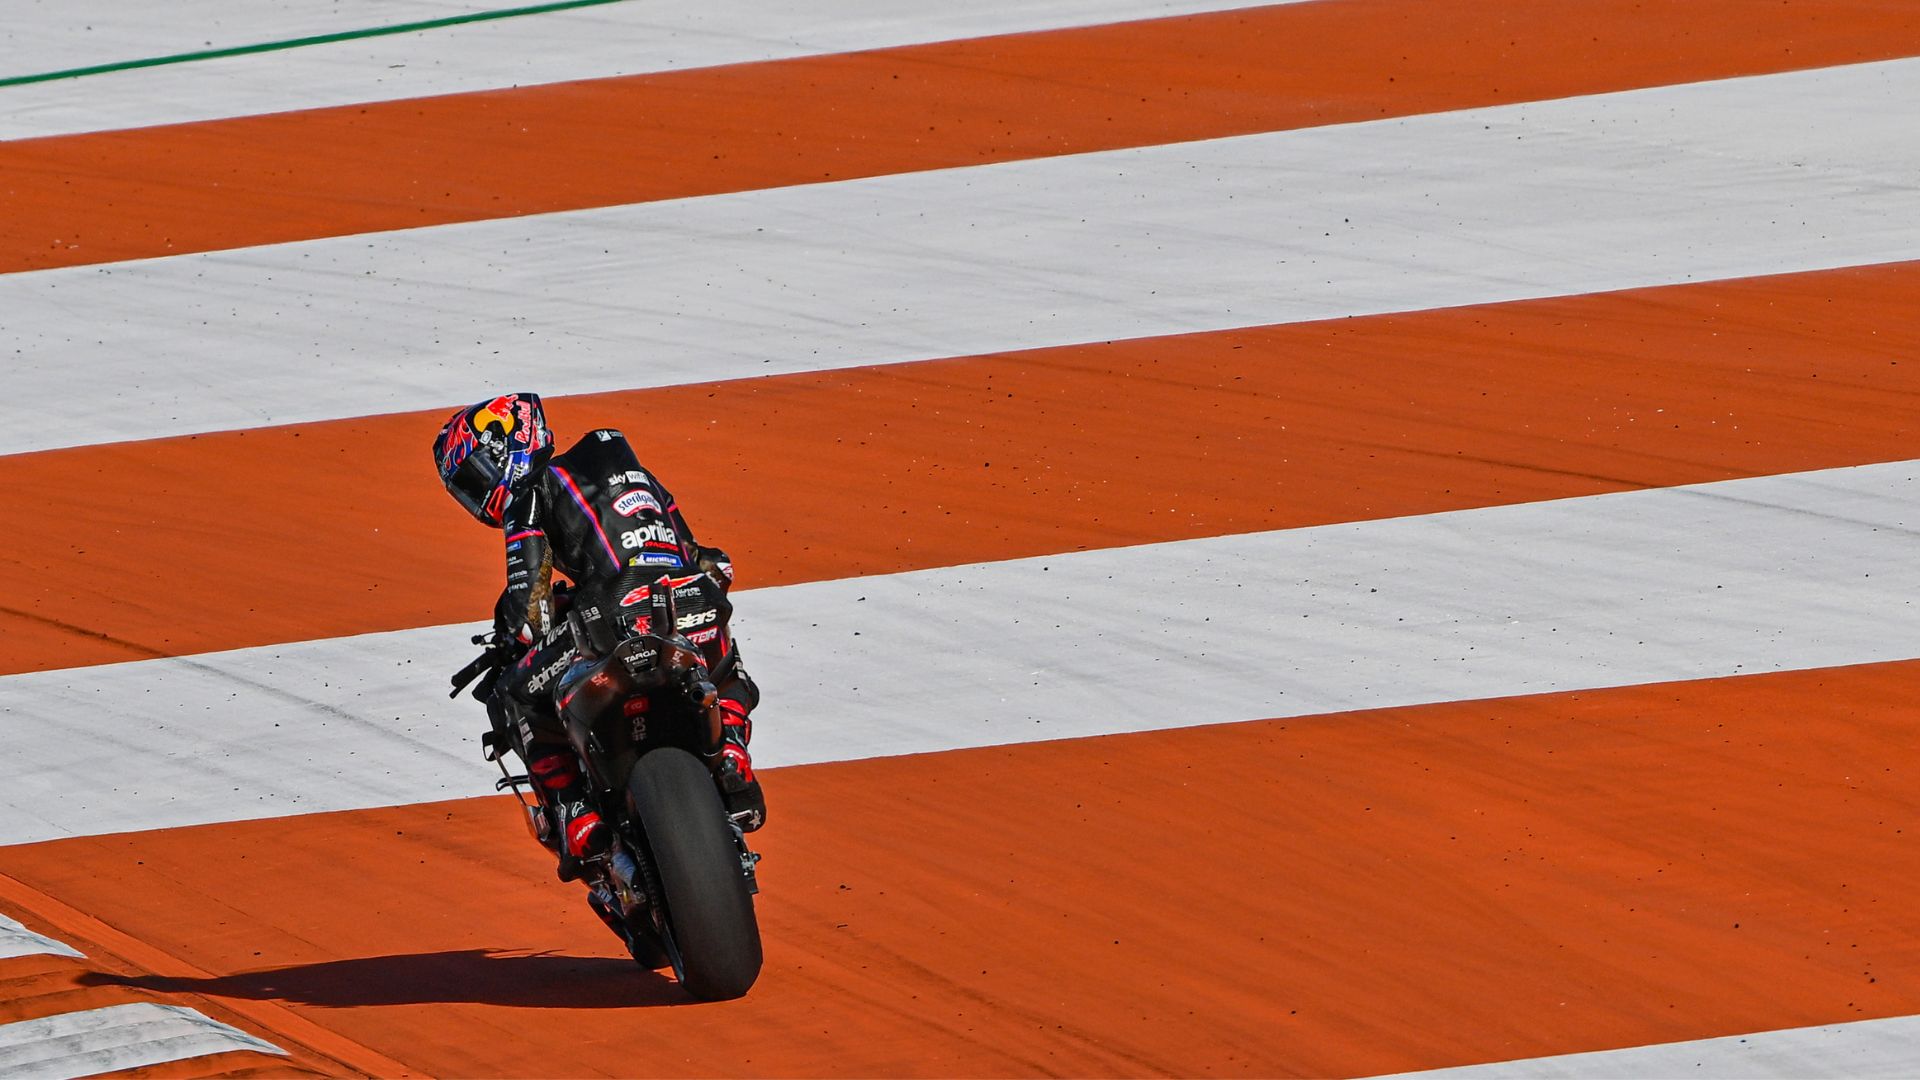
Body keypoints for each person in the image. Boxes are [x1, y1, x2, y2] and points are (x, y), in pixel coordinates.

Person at [432, 393, 764, 878]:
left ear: (509, 447)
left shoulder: (528, 493)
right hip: (692, 600)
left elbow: (530, 610)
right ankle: (732, 745)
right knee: (726, 665)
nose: (476, 493)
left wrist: (513, 641)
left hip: (613, 616)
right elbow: (706, 559)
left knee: (512, 697)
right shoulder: (635, 473)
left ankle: (576, 814)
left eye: (475, 475)